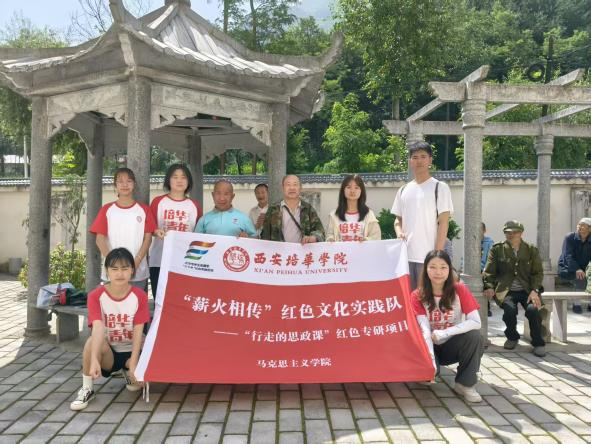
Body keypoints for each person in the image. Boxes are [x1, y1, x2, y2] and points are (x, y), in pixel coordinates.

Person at [70, 248, 150, 411]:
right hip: (110, 353)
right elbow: (97, 327)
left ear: (132, 271)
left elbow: (138, 331)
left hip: (133, 350)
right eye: (114, 269)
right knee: (91, 342)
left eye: (125, 268)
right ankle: (87, 388)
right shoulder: (96, 296)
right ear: (106, 271)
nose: (119, 274)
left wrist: (134, 364)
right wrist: (94, 359)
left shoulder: (140, 296)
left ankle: (128, 371)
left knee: (142, 381)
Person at [412, 250, 484, 403]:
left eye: (443, 267)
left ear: (449, 269)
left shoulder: (460, 290)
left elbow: (476, 322)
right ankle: (428, 369)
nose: (438, 272)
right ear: (426, 269)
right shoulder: (417, 295)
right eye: (433, 267)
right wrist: (431, 362)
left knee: (475, 336)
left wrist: (445, 333)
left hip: (451, 344)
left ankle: (465, 384)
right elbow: (425, 330)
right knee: (427, 376)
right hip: (428, 345)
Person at [391, 141, 453, 290]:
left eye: (423, 157)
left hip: (428, 258)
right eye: (415, 157)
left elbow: (444, 222)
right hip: (406, 258)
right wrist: (399, 233)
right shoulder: (403, 190)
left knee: (428, 299)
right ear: (410, 161)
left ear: (430, 160)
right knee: (409, 299)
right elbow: (397, 220)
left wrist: (436, 255)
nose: (419, 161)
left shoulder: (440, 187)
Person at [483, 220, 546, 357]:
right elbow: (489, 271)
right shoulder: (497, 249)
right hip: (506, 290)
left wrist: (535, 290)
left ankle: (538, 342)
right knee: (510, 310)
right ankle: (512, 337)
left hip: (528, 290)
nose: (511, 235)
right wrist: (489, 286)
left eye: (514, 232)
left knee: (533, 310)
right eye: (508, 232)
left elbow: (538, 272)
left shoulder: (531, 249)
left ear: (521, 233)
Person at [90, 167, 156, 290]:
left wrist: (135, 263)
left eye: (129, 181)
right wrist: (113, 264)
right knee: (111, 302)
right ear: (115, 185)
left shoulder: (144, 210)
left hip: (138, 272)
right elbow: (99, 240)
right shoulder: (107, 209)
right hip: (112, 274)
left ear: (134, 184)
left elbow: (148, 239)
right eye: (120, 181)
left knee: (136, 302)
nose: (125, 184)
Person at [149, 164, 202, 297]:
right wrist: (156, 231)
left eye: (183, 177)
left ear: (189, 181)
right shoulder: (158, 202)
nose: (179, 180)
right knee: (160, 300)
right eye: (175, 177)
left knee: (181, 300)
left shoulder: (194, 206)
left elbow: (199, 234)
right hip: (159, 260)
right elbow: (149, 228)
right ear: (168, 180)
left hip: (185, 262)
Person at [261, 174, 325, 243]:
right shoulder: (273, 210)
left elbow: (320, 232)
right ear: (282, 188)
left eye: (295, 184)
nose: (292, 188)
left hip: (302, 249)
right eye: (288, 185)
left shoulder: (308, 209)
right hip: (279, 249)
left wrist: (313, 237)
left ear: (300, 188)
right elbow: (265, 236)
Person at [326, 174, 381, 242]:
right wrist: (330, 239)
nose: (352, 191)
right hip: (341, 249)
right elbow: (329, 234)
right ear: (343, 190)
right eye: (348, 187)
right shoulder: (334, 215)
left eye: (356, 188)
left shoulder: (369, 214)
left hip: (362, 249)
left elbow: (376, 236)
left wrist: (366, 240)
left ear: (361, 191)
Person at [557, 217, 591, 313]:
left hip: (585, 267)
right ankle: (577, 304)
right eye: (579, 224)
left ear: (590, 228)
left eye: (583, 225)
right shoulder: (570, 237)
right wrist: (577, 268)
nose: (579, 227)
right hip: (567, 266)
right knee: (580, 276)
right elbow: (567, 255)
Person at [481, 222, 495, 317]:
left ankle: (486, 307)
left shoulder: (489, 243)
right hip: (473, 269)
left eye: (480, 230)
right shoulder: (471, 241)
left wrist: (485, 270)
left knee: (485, 282)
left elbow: (490, 259)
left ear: (484, 230)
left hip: (485, 269)